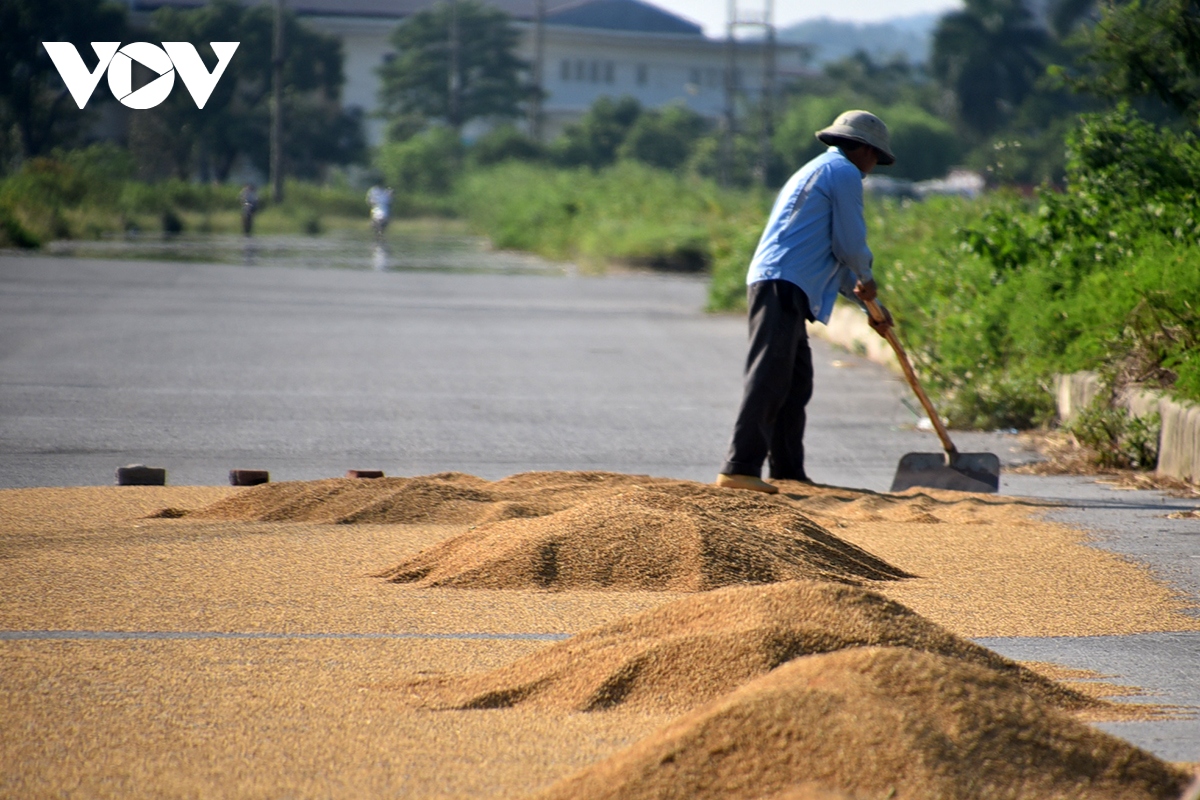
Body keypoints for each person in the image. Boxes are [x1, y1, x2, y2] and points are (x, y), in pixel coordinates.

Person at [716, 110, 897, 494]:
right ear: (863, 149)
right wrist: (867, 278)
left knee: (795, 382)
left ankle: (787, 471)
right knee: (769, 375)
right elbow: (850, 244)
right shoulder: (844, 173)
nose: (872, 168)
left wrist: (869, 307)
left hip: (786, 282)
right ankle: (739, 468)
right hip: (782, 280)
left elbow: (833, 253)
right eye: (875, 158)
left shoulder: (822, 169)